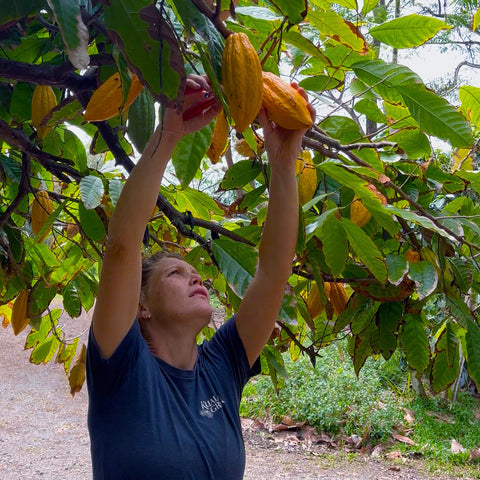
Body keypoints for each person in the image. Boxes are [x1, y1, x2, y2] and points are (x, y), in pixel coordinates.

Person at [86, 73, 315, 480]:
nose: (198, 280)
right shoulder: (120, 367)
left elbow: (274, 272)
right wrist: (169, 132)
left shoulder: (222, 364)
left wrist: (283, 164)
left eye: (197, 274)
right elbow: (122, 246)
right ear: (141, 305)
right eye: (177, 273)